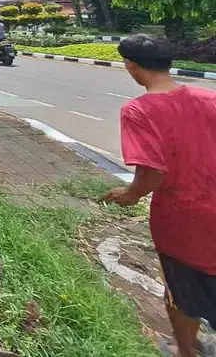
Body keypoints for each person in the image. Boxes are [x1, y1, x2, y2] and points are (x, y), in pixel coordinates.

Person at [100, 35, 216, 356]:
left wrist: (130, 194)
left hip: (184, 223)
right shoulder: (210, 99)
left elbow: (152, 174)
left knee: (181, 290)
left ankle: (186, 351)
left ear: (132, 67)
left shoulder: (139, 111)